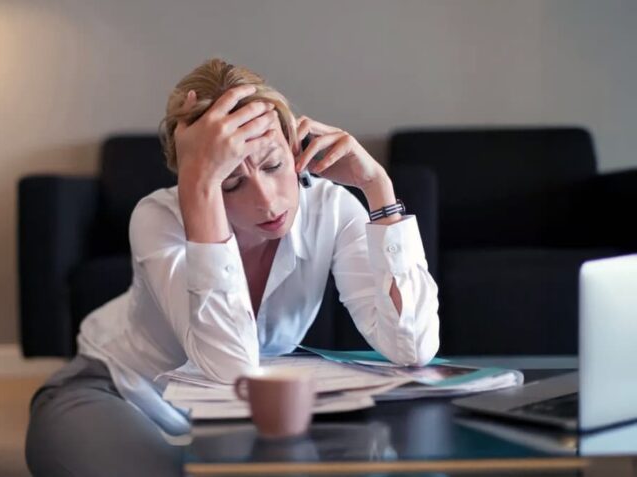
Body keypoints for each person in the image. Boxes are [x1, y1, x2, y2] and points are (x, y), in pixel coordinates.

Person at [25, 58, 440, 476]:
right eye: (231, 182)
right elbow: (230, 369)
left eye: (274, 165)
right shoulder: (157, 218)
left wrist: (377, 187)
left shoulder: (329, 208)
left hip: (235, 417)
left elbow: (413, 347)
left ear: (294, 146)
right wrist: (199, 190)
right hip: (120, 393)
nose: (267, 201)